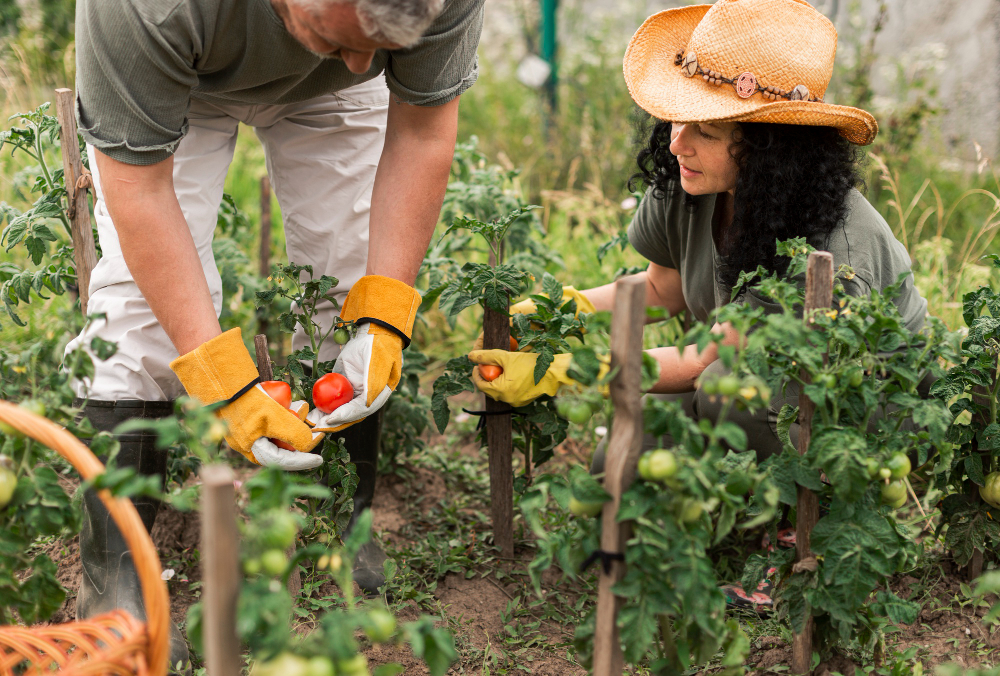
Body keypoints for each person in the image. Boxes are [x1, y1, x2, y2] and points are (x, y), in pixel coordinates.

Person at [468, 0, 928, 608]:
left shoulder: (830, 247)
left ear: (770, 151)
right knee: (615, 474)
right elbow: (665, 288)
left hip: (856, 416)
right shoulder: (693, 180)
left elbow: (701, 359)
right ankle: (735, 506)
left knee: (724, 389)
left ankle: (804, 531)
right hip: (747, 384)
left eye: (707, 131)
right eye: (679, 121)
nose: (677, 142)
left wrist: (569, 367)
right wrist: (564, 309)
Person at [66, 0, 483, 668]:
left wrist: (384, 316)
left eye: (378, 47)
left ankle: (343, 515)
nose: (361, 63)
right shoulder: (147, 8)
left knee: (349, 278)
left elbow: (423, 132)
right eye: (339, 37)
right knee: (138, 317)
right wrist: (224, 383)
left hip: (323, 96)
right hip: (183, 77)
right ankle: (117, 578)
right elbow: (138, 192)